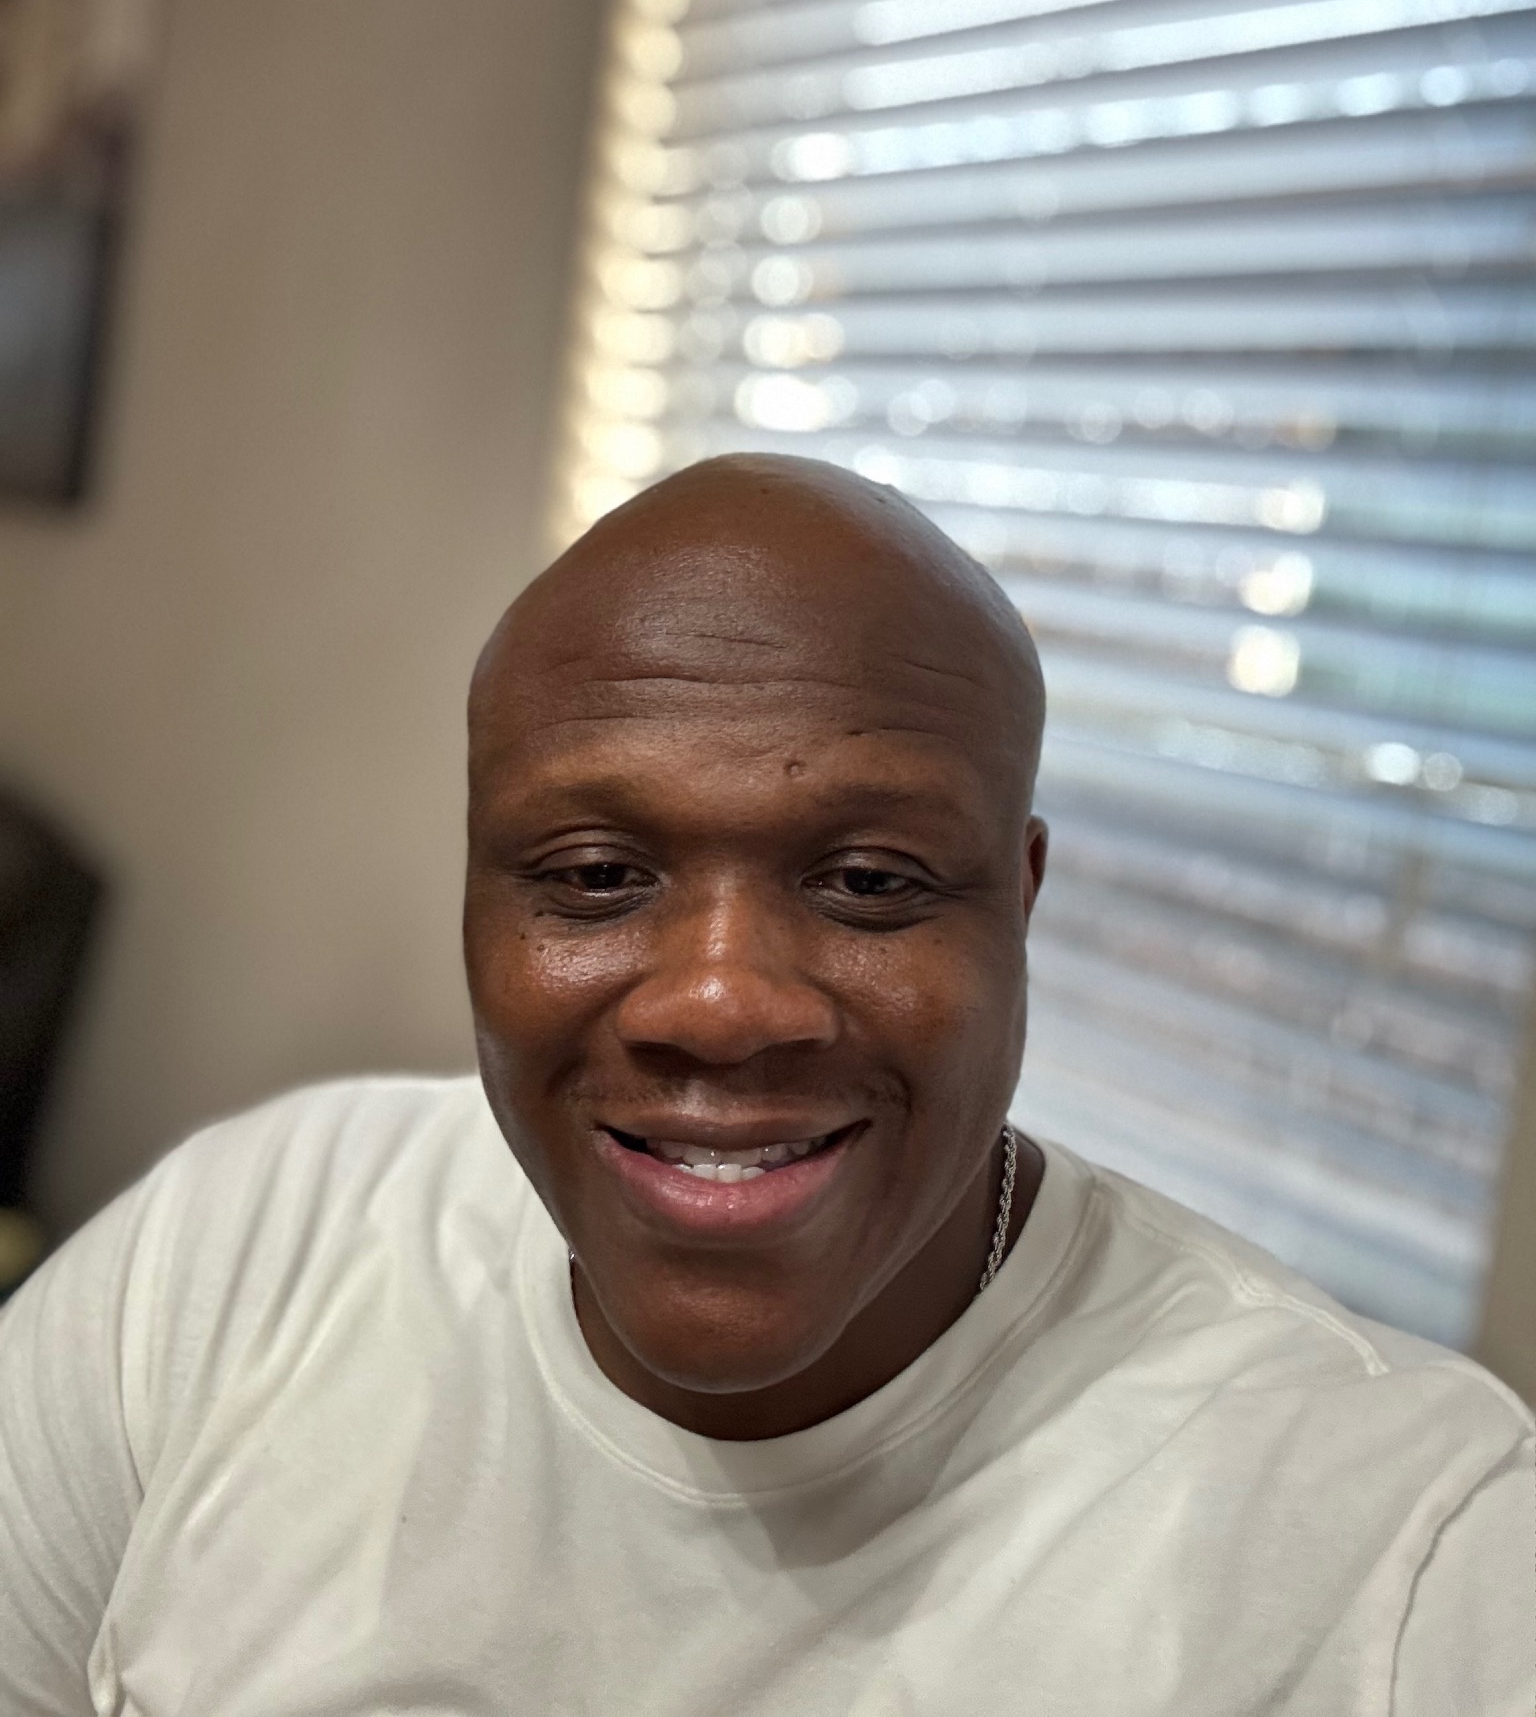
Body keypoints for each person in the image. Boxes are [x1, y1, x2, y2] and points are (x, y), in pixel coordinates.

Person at [2, 454, 1531, 1714]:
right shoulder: (236, 1261)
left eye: (870, 881)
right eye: (594, 875)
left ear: (1018, 903)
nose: (722, 1004)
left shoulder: (1405, 1554)